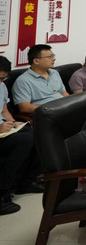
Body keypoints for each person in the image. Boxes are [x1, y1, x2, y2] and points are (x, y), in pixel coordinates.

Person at [0, 56, 43, 215]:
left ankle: (26, 182)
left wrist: (13, 123)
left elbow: (4, 110)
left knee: (37, 133)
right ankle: (2, 192)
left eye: (3, 79)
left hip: (3, 130)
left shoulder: (2, 86)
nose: (1, 82)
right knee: (25, 140)